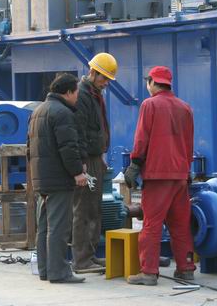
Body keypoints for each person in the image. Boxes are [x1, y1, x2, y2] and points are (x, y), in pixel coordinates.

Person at [124, 66, 196, 286]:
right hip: (180, 175)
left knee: (152, 224)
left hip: (158, 175)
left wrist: (135, 164)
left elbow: (142, 138)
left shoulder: (150, 105)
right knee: (180, 225)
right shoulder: (185, 108)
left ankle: (148, 272)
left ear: (152, 82)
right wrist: (186, 170)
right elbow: (189, 143)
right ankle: (186, 269)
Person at [28, 73, 88, 284]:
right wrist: (77, 172)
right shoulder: (63, 113)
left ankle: (45, 270)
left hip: (41, 178)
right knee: (59, 227)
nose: (77, 97)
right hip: (58, 179)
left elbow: (29, 147)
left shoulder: (38, 111)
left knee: (45, 226)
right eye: (76, 92)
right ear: (69, 92)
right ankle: (59, 272)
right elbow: (68, 147)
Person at [72, 52, 118, 273]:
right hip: (87, 160)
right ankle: (81, 261)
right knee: (84, 209)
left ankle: (89, 256)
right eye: (104, 78)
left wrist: (99, 158)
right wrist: (82, 163)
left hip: (94, 158)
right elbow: (79, 131)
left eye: (108, 79)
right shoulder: (82, 95)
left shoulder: (94, 94)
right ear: (93, 72)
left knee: (94, 209)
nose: (106, 82)